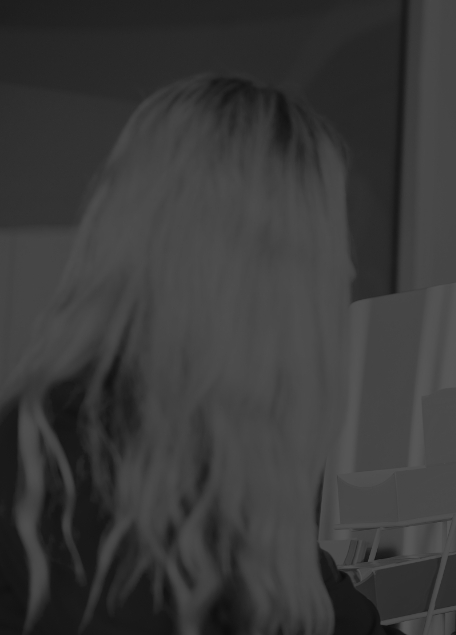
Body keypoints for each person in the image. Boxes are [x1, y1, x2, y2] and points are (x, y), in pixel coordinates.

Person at [0, 74, 403, 635]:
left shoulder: (234, 496)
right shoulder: (52, 484)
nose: (348, 272)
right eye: (329, 247)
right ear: (263, 271)